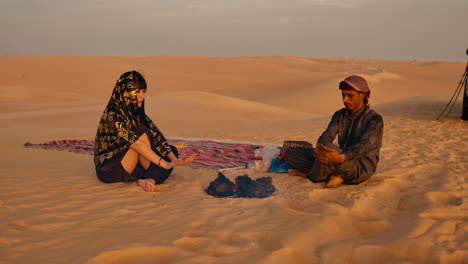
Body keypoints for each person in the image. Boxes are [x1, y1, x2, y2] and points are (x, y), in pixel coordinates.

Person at [94, 71, 196, 192]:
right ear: (125, 92)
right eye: (137, 92)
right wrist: (164, 164)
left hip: (132, 163)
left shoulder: (137, 113)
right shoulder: (112, 115)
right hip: (110, 169)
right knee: (141, 132)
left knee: (171, 150)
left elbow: (157, 137)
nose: (142, 96)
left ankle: (148, 180)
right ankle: (151, 175)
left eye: (143, 91)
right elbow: (135, 143)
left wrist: (174, 160)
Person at [283, 75, 384, 188]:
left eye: (350, 95)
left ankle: (311, 176)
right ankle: (334, 175)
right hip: (335, 159)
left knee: (328, 151)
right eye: (343, 95)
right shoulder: (339, 115)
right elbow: (327, 136)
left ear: (362, 95)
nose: (345, 100)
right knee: (289, 151)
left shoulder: (374, 119)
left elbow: (364, 146)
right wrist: (320, 148)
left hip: (358, 168)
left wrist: (340, 157)